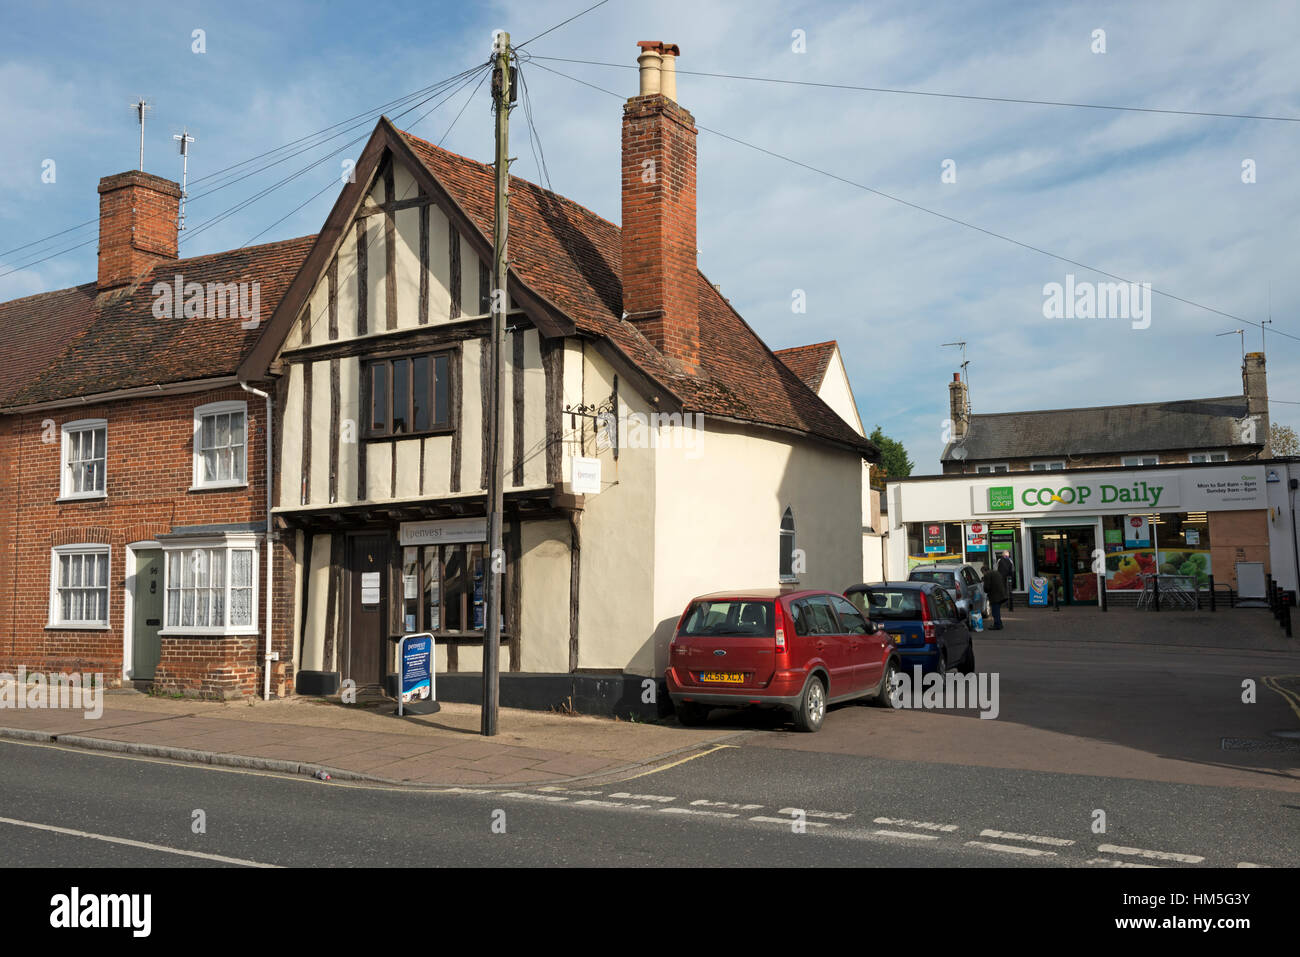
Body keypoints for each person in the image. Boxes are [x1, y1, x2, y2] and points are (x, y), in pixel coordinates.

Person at [982, 563, 1007, 630]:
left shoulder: (987, 575)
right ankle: (999, 623)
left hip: (995, 595)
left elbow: (987, 587)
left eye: (982, 572)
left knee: (995, 611)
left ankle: (997, 625)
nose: (983, 574)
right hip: (1001, 594)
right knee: (997, 610)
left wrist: (985, 589)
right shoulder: (996, 573)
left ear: (984, 571)